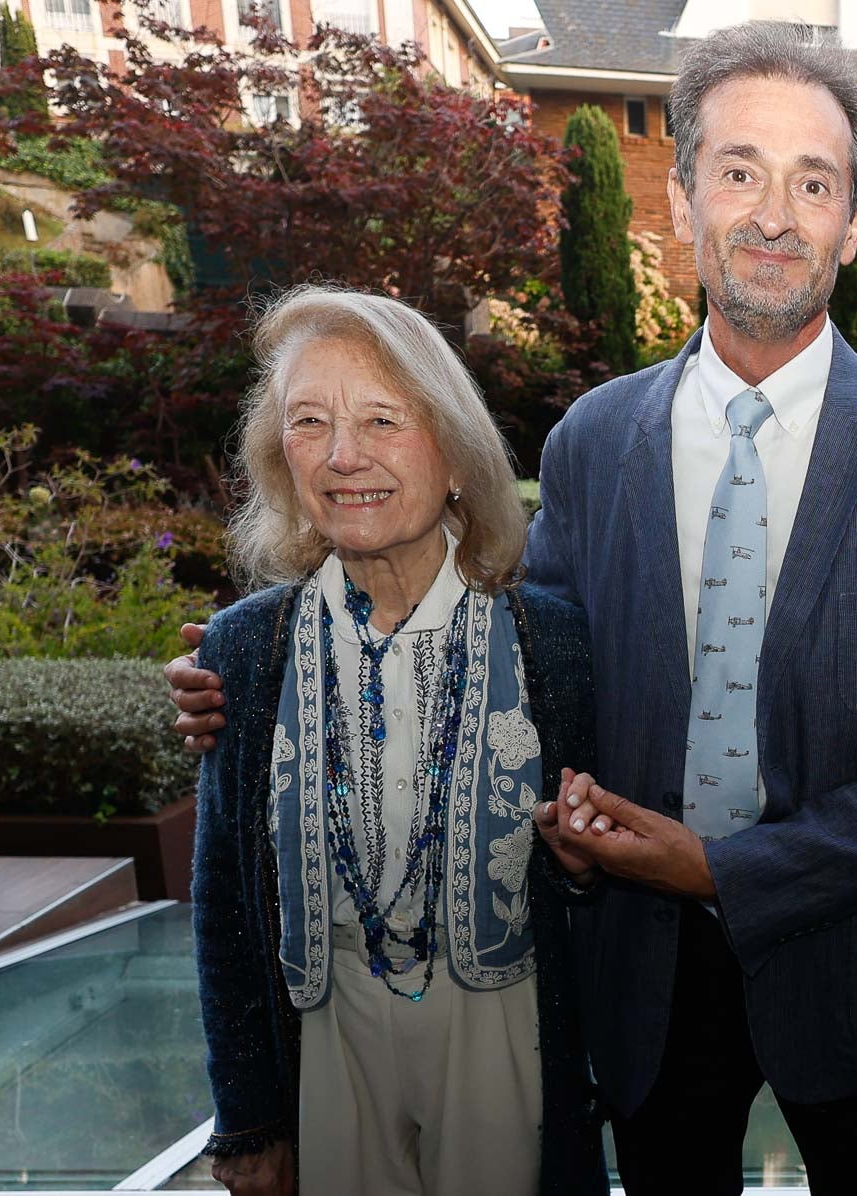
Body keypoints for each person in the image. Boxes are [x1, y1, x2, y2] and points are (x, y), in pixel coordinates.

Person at [172, 22, 857, 1196]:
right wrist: (255, 683)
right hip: (639, 981)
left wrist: (730, 871)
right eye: (737, 171)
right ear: (679, 200)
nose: (773, 214)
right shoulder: (591, 443)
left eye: (811, 182)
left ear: (853, 218)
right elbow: (519, 661)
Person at [187, 285, 605, 1196]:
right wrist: (250, 1115)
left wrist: (585, 866)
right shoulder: (245, 652)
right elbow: (224, 899)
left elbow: (609, 874)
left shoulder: (556, 643)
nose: (344, 456)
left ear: (456, 455)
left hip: (503, 1030)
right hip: (324, 1032)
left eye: (383, 418)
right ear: (278, 459)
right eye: (309, 423)